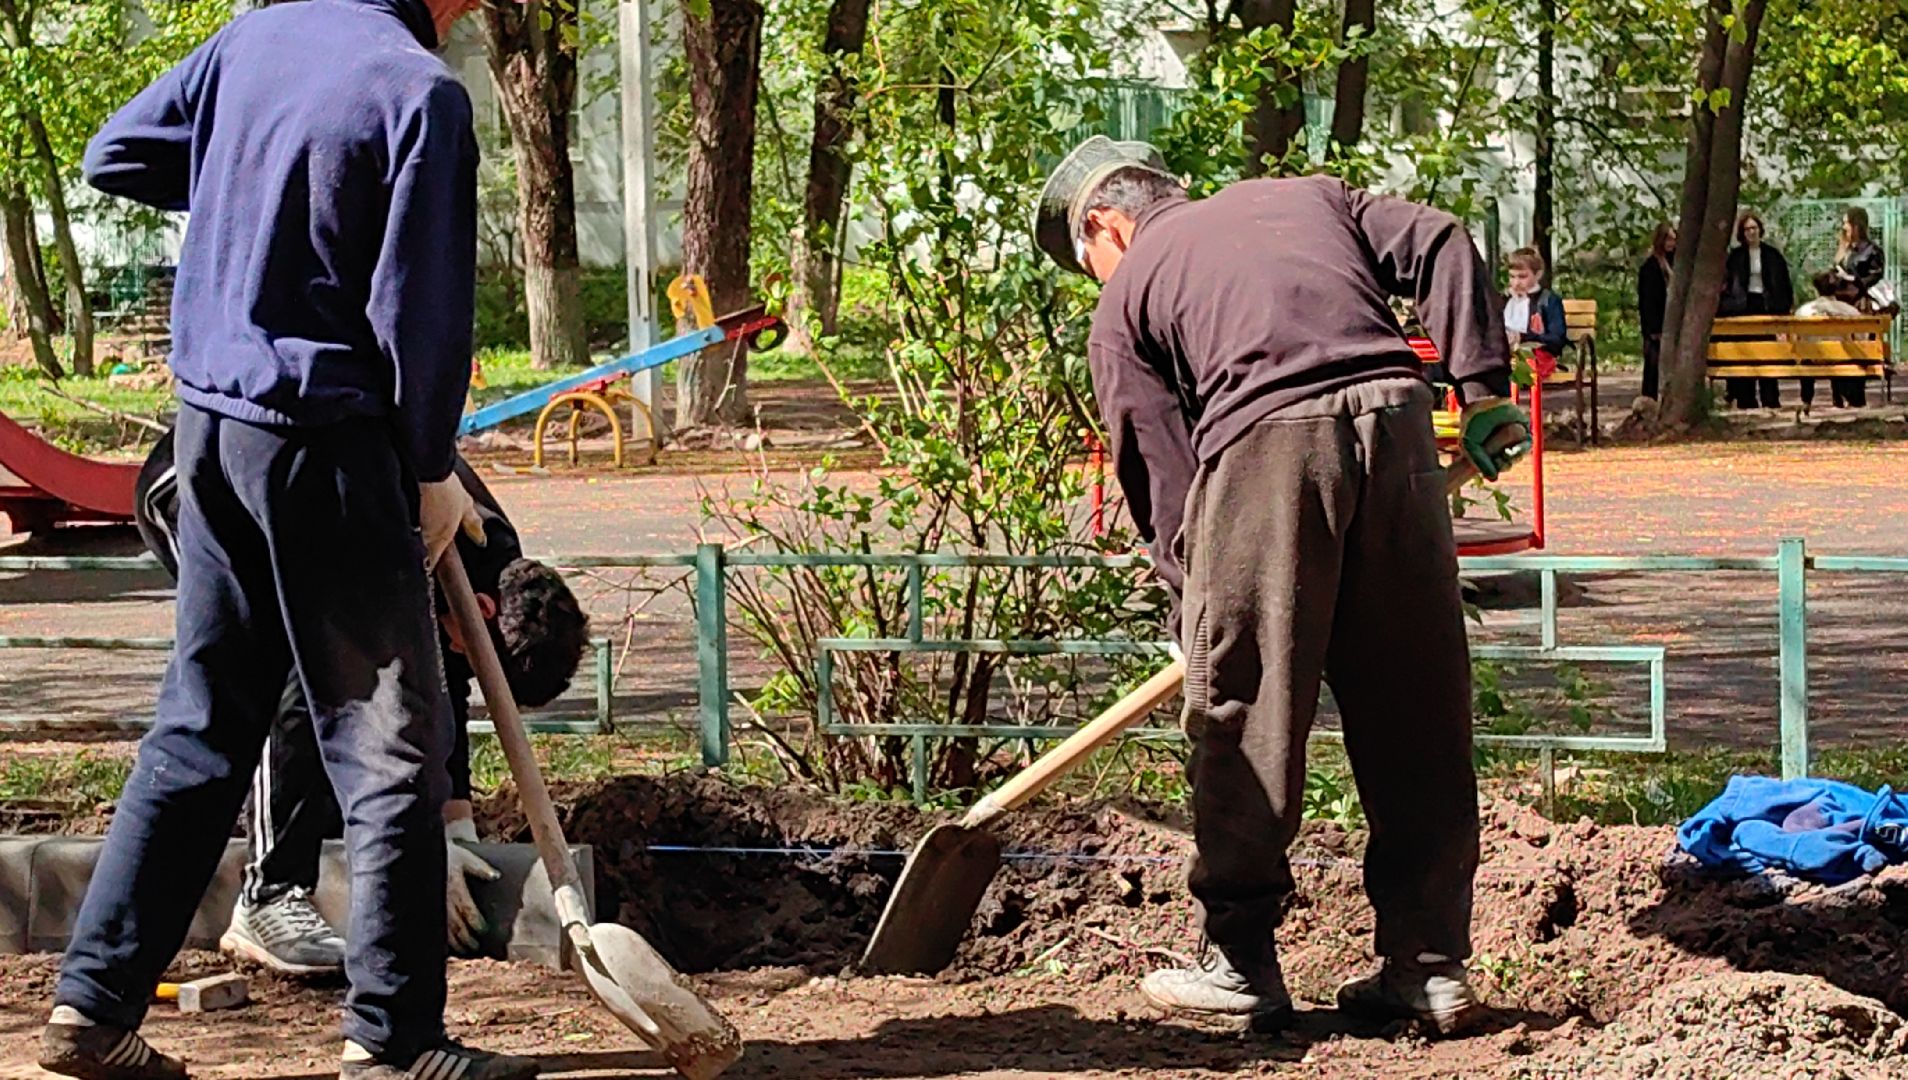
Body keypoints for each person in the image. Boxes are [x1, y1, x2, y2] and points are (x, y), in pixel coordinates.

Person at [36, 1, 544, 1078]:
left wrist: (254, 193)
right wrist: (428, 463)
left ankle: (93, 1003)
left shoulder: (251, 41)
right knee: (390, 741)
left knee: (203, 723)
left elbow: (116, 153)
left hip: (209, 435)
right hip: (327, 443)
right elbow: (423, 313)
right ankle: (395, 1039)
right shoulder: (422, 94)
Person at [1034, 136, 1526, 1036]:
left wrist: (1198, 606)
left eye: (1088, 264)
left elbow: (1160, 473)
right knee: (1416, 710)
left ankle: (1240, 964)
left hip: (1268, 450)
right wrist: (1485, 389)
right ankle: (1427, 968)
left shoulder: (1128, 298)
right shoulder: (1309, 197)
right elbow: (1446, 240)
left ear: (1104, 224)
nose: (1097, 282)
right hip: (1399, 424)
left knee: (1246, 718)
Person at [132, 432, 589, 975]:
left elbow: (447, 687)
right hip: (206, 485)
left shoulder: (488, 559)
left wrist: (453, 832)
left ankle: (292, 831)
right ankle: (267, 893)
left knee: (327, 679)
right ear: (485, 609)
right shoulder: (410, 543)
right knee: (278, 667)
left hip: (307, 513)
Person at [1808, 207, 1886, 408]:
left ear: (1857, 225)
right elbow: (1834, 271)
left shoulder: (1872, 250)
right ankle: (1839, 394)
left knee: (1856, 349)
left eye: (1847, 223)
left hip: (1858, 302)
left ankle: (1855, 395)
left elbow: (1875, 276)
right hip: (1839, 302)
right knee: (1837, 346)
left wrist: (1853, 279)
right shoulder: (1845, 248)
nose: (1844, 227)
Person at [1719, 212, 1795, 410]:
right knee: (1745, 353)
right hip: (1742, 307)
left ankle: (1770, 398)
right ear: (1742, 233)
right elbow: (1727, 284)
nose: (1751, 232)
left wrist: (1783, 309)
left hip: (1766, 305)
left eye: (1754, 228)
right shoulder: (1735, 257)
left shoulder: (1772, 255)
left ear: (1760, 230)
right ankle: (1746, 399)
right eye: (1747, 229)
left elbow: (1783, 283)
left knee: (1767, 353)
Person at [1503, 247, 1568, 376]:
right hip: (1503, 355)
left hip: (1535, 357)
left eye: (1522, 277)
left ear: (1538, 274)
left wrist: (1524, 337)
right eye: (1512, 276)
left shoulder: (1548, 301)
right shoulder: (1504, 300)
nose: (1516, 283)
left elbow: (1556, 339)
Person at [1636, 223, 1675, 401]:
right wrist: (1652, 329)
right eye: (1668, 239)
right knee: (1652, 365)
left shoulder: (1677, 263)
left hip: (1673, 320)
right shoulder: (1650, 267)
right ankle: (1649, 401)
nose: (1672, 243)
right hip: (1655, 323)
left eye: (1674, 239)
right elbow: (1647, 301)